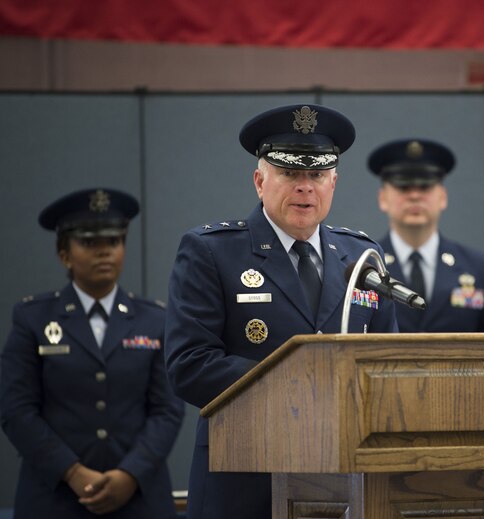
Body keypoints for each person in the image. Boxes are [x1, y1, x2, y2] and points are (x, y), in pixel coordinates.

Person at [164, 104, 398, 519]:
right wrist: (298, 386)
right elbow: (190, 365)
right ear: (260, 181)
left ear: (334, 183)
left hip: (344, 482)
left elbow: (388, 364)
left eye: (317, 175)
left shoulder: (362, 256)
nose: (305, 187)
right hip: (245, 480)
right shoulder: (211, 252)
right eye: (290, 173)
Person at [0, 188, 185, 518]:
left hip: (138, 496)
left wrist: (130, 474)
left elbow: (167, 410)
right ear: (64, 255)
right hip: (55, 496)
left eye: (113, 242)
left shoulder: (154, 319)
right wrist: (71, 471)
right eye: (89, 243)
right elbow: (16, 409)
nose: (105, 252)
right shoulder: (33, 318)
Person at [369, 138, 484, 332]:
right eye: (403, 187)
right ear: (383, 198)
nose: (414, 196)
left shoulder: (481, 269)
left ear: (443, 197)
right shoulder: (365, 267)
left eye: (425, 187)